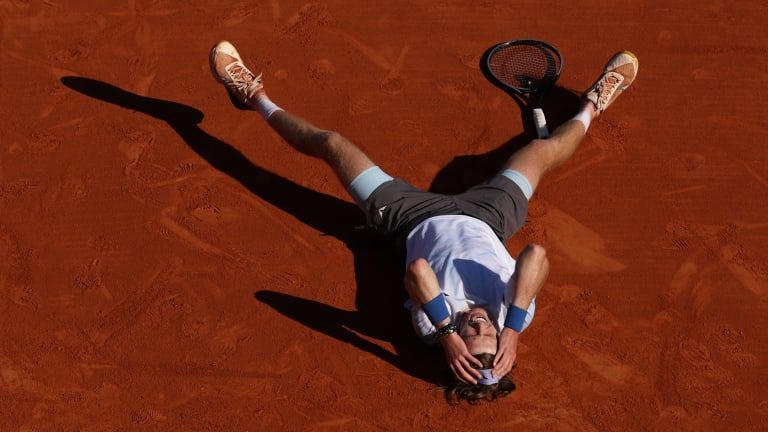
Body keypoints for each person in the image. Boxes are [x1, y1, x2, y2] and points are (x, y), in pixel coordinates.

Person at [209, 41, 638, 403]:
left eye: (474, 334)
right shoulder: (510, 317)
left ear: (457, 349)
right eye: (486, 331)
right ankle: (592, 105)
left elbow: (418, 271)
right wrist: (512, 330)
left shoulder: (434, 328)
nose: (480, 324)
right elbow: (536, 256)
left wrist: (448, 331)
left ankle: (253, 97)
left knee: (332, 144)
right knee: (540, 155)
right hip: (490, 216)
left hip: (408, 217)